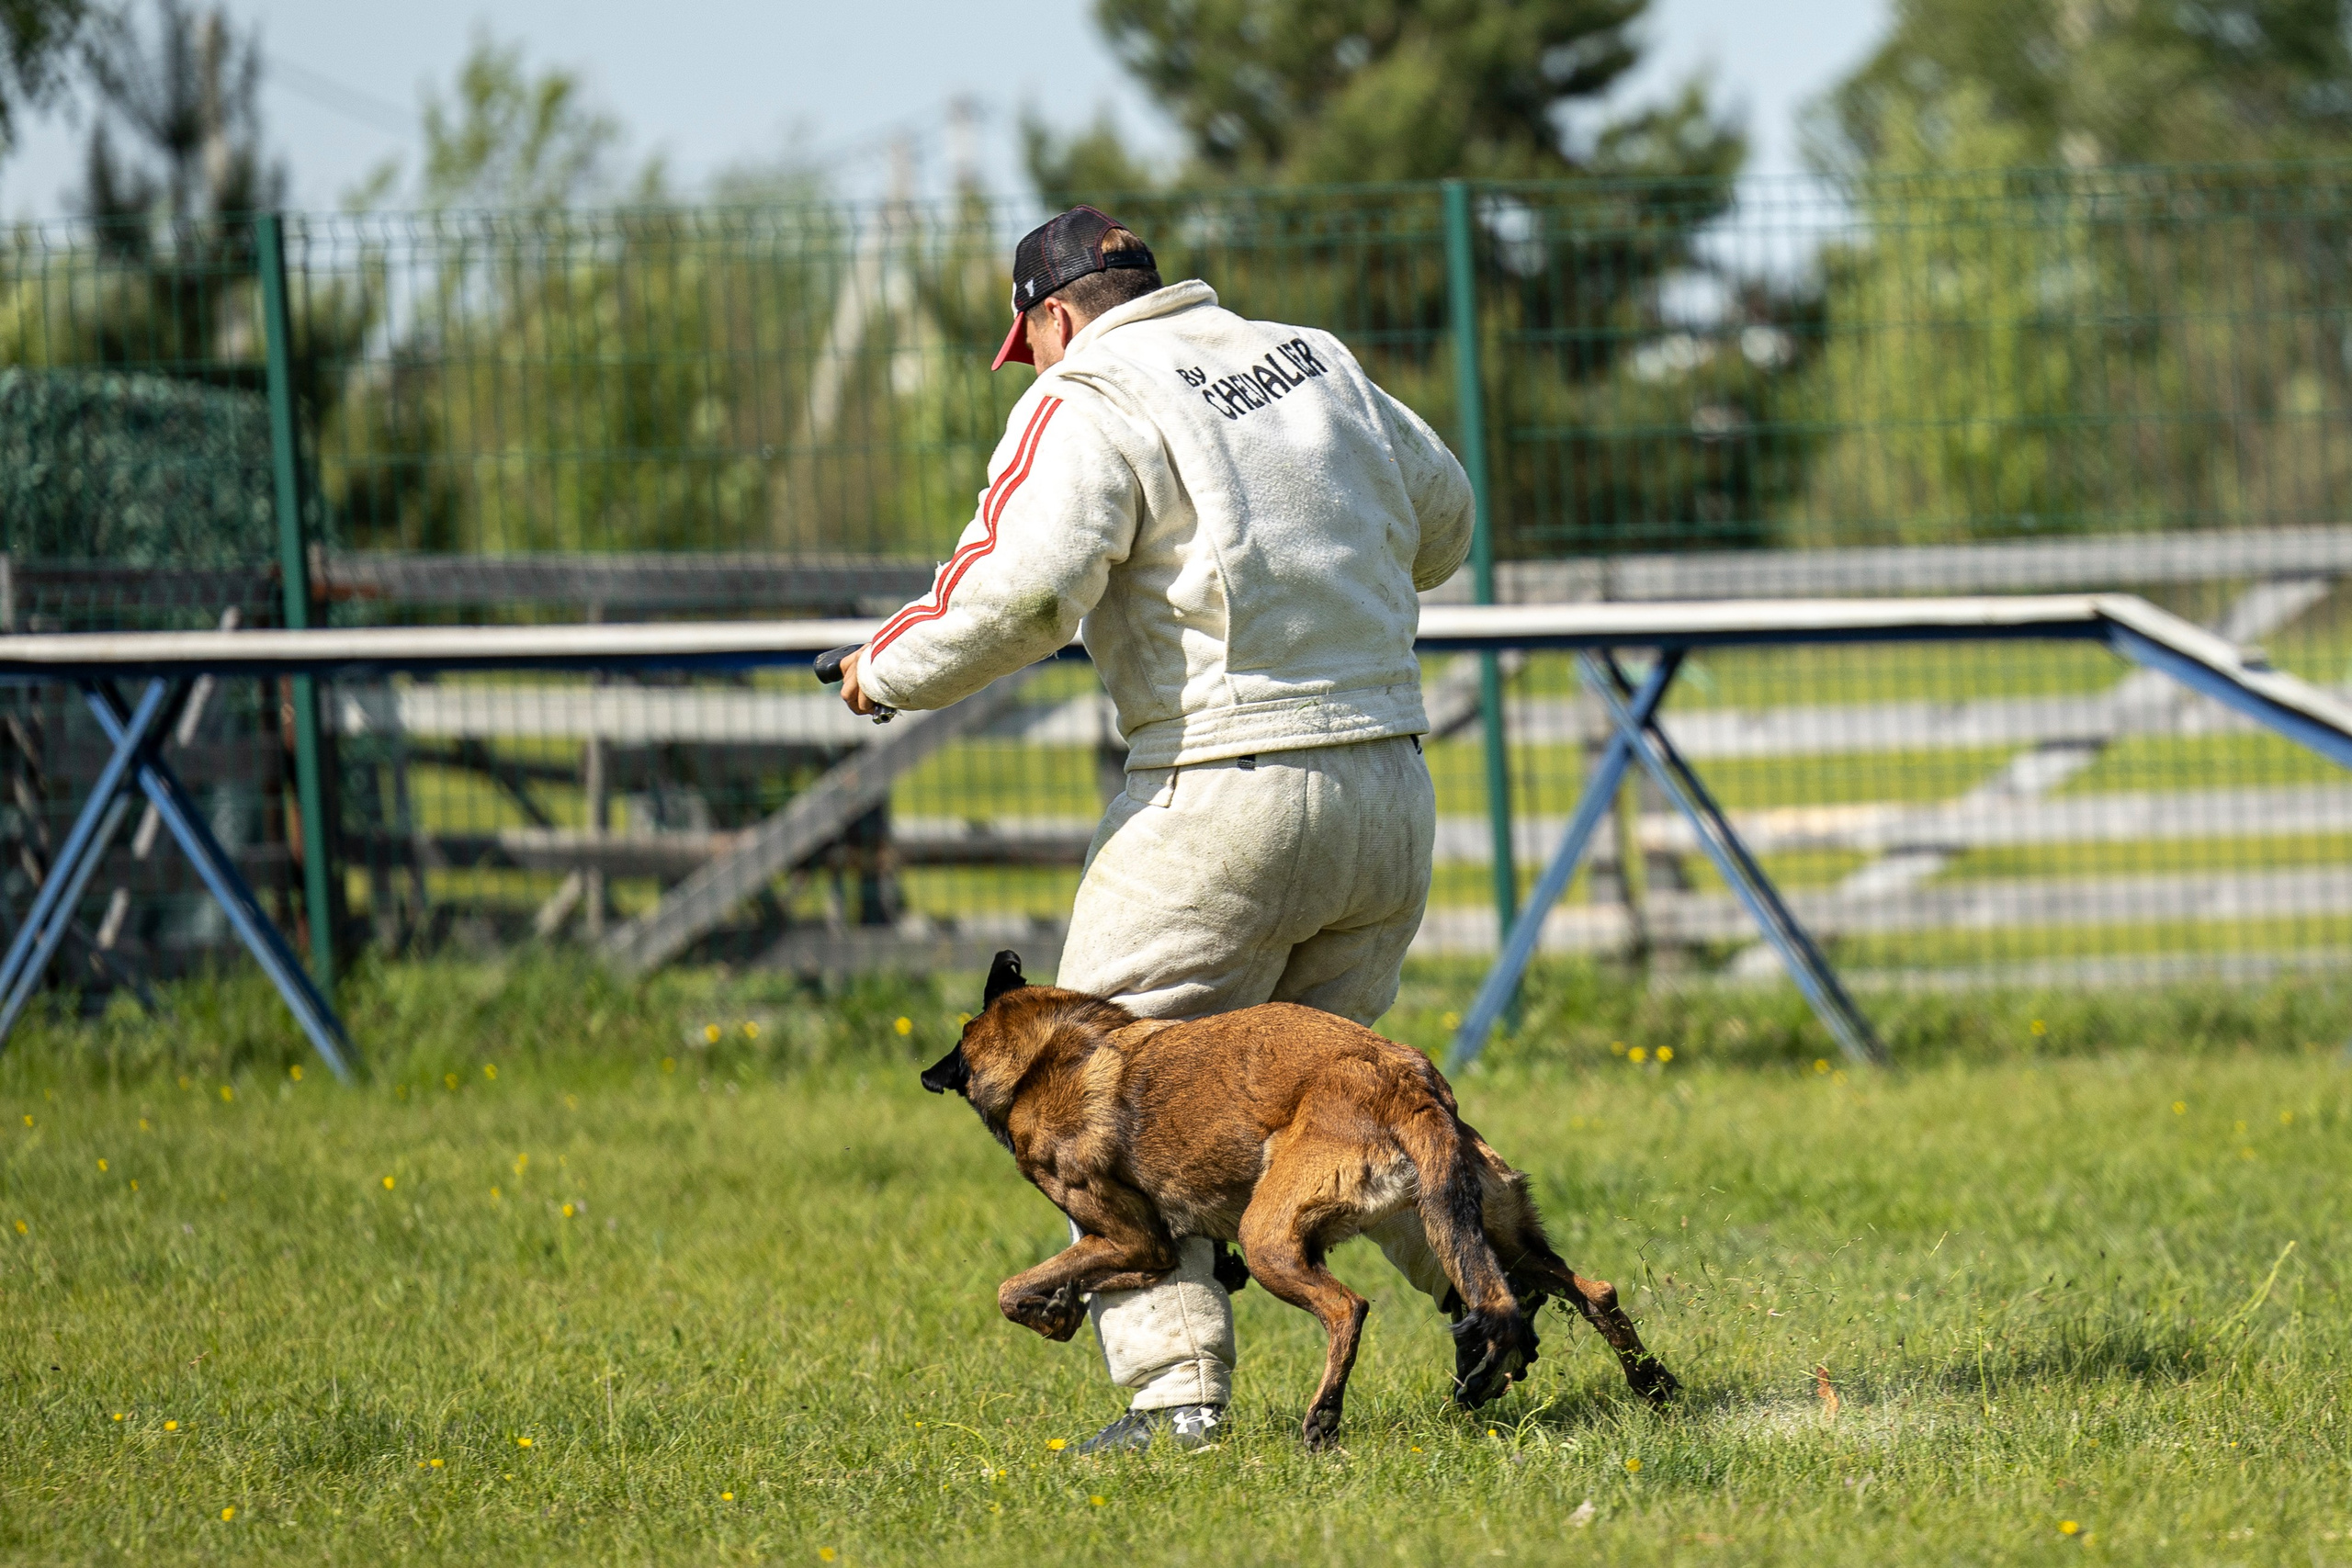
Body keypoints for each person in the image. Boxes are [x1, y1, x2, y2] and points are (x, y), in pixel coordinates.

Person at [837, 205, 1473, 1452]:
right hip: (1388, 795)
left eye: (1031, 345)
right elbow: (1443, 524)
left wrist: (882, 668)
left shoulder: (1088, 391)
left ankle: (1175, 1400)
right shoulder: (1316, 358)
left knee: (1088, 1106)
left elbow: (1019, 590)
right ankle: (1485, 1306)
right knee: (1342, 1100)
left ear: (1052, 319)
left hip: (1221, 795)